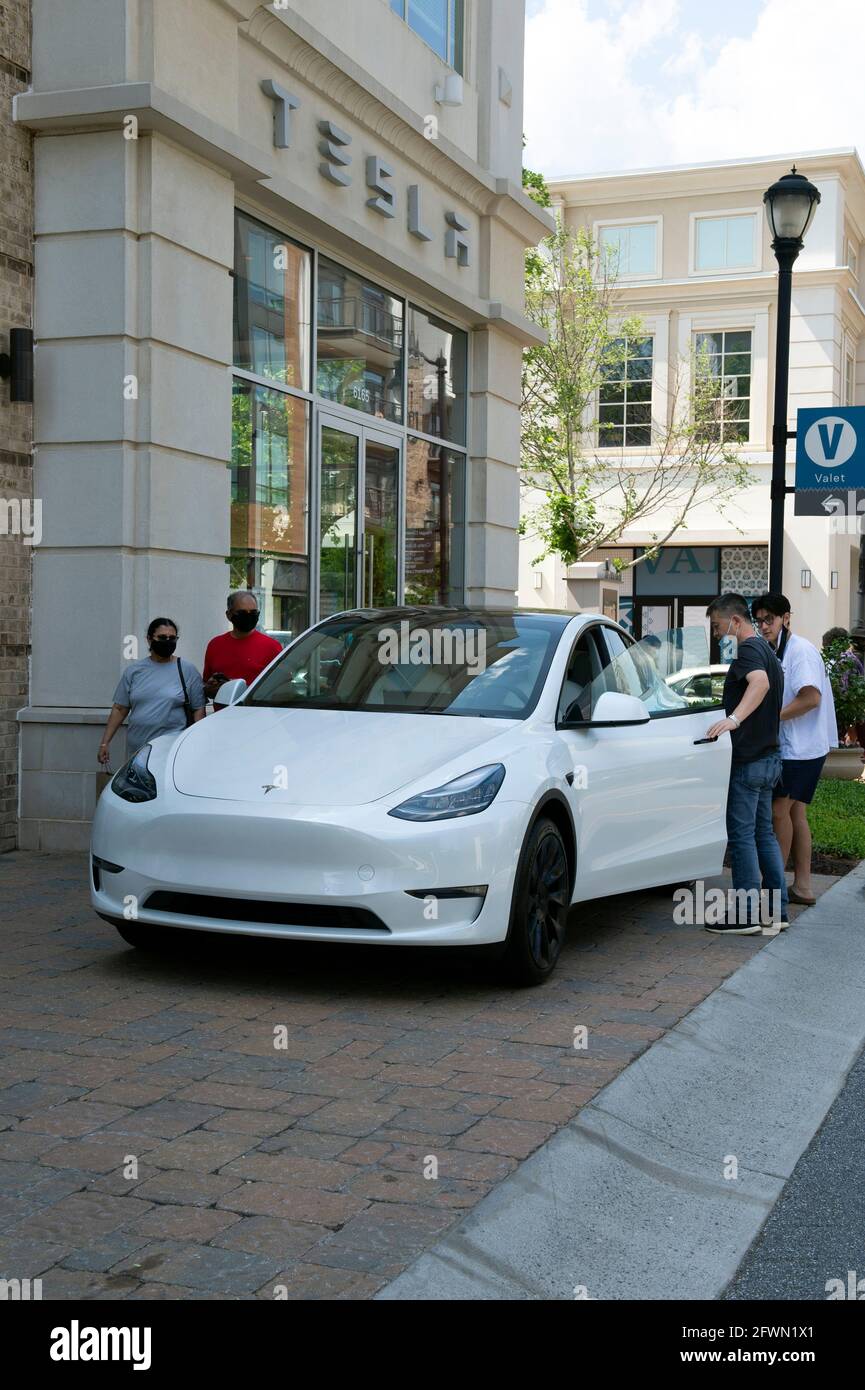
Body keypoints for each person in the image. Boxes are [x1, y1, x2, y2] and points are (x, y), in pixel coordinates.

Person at [704, 593, 788, 935]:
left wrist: (734, 719)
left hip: (749, 760)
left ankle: (746, 914)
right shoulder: (768, 651)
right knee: (762, 834)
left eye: (717, 625)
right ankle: (777, 911)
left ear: (735, 621)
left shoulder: (750, 650)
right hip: (769, 758)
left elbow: (760, 684)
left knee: (742, 837)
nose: (716, 633)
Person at [751, 595, 836, 907]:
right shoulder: (780, 649)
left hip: (800, 749)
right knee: (795, 813)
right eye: (759, 620)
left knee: (778, 813)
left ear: (786, 618)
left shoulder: (800, 651)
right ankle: (802, 886)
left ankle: (772, 892)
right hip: (802, 746)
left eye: (769, 619)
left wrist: (771, 717)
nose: (763, 626)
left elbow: (811, 698)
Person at [98, 618, 205, 766]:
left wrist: (196, 744)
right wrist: (105, 743)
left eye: (172, 638)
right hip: (137, 749)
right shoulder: (134, 672)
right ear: (149, 639)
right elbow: (120, 708)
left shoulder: (187, 670)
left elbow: (198, 710)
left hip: (170, 749)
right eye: (162, 637)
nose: (167, 641)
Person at [203, 591, 283, 707]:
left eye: (253, 612)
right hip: (222, 717)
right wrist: (213, 687)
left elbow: (281, 687)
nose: (248, 616)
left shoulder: (272, 646)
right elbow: (207, 682)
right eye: (242, 612)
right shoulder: (215, 645)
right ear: (229, 615)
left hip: (258, 716)